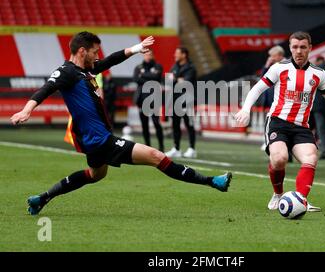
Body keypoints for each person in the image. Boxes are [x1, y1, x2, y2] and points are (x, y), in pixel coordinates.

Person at [10, 32, 232, 215]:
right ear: (82, 51)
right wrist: (27, 109)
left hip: (94, 139)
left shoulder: (85, 69)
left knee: (95, 175)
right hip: (101, 140)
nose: (98, 56)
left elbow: (110, 60)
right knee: (156, 156)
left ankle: (43, 198)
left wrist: (137, 48)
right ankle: (213, 182)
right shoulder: (66, 72)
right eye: (94, 52)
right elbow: (45, 89)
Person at [235, 31, 325, 212]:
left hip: (301, 126)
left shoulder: (319, 74)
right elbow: (257, 89)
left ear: (310, 48)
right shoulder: (279, 68)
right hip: (278, 122)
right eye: (295, 47)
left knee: (311, 157)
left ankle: (300, 200)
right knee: (279, 159)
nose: (299, 51)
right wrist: (245, 109)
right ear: (290, 48)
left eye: (303, 47)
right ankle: (278, 193)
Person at [165, 47, 197, 158]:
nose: (175, 55)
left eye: (177, 53)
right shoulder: (174, 66)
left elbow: (185, 83)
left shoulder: (191, 68)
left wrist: (175, 79)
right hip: (175, 100)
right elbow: (168, 80)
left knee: (189, 125)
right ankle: (176, 148)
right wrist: (176, 79)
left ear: (184, 55)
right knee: (175, 125)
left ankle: (192, 149)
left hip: (187, 100)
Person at [133, 48, 164, 152]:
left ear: (152, 55)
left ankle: (161, 146)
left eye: (149, 54)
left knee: (156, 123)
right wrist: (150, 77)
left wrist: (143, 75)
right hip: (142, 99)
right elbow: (136, 79)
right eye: (146, 54)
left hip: (154, 98)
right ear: (143, 56)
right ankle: (147, 147)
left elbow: (157, 77)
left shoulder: (158, 66)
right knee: (144, 124)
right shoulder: (138, 67)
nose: (148, 56)